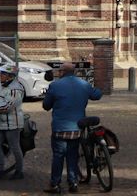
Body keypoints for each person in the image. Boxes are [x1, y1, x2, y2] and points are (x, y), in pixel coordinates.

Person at [42, 61, 102, 193]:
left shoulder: (55, 85)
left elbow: (46, 106)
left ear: (62, 72)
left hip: (60, 128)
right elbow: (97, 95)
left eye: (59, 71)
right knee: (72, 155)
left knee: (58, 156)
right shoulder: (83, 84)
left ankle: (55, 184)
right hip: (76, 128)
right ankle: (73, 182)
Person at [0, 63, 25, 179]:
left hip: (13, 124)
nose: (0, 75)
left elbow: (7, 107)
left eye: (2, 74)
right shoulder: (1, 86)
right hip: (0, 123)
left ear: (10, 76)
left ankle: (19, 171)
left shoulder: (16, 89)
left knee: (15, 148)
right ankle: (0, 169)